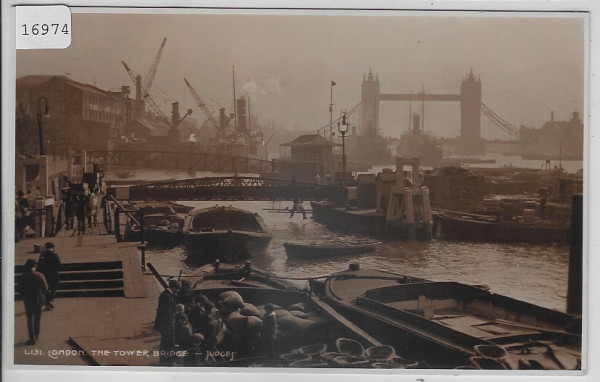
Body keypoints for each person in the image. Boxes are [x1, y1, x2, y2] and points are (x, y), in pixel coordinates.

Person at [19, 259, 48, 345]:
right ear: (35, 266)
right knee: (37, 317)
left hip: (28, 299)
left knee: (29, 318)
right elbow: (45, 287)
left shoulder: (23, 276)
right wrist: (42, 294)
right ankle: (37, 335)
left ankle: (31, 338)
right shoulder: (39, 275)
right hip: (38, 299)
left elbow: (20, 288)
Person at [154, 279, 180, 366]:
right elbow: (167, 313)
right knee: (166, 343)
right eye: (176, 289)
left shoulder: (167, 294)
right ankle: (165, 361)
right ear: (173, 288)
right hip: (166, 325)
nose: (176, 291)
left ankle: (164, 360)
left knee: (165, 343)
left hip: (165, 324)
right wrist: (171, 325)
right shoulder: (166, 296)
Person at [37, 242, 61, 311]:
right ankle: (49, 302)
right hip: (54, 276)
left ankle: (48, 302)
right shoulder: (55, 255)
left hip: (45, 276)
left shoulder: (42, 255)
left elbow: (39, 266)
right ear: (53, 248)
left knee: (46, 289)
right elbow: (59, 265)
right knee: (53, 289)